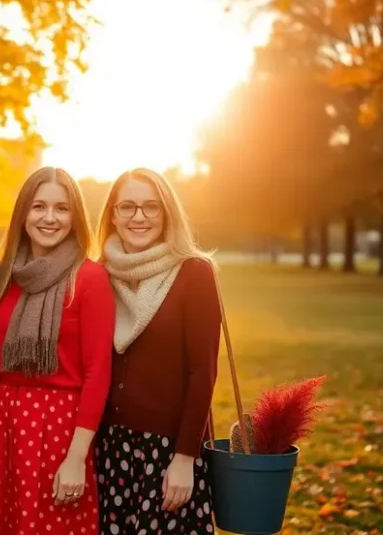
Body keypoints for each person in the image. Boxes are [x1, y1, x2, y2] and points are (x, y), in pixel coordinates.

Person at [0, 166, 115, 535]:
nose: (50, 218)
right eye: (39, 206)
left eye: (62, 208)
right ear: (23, 212)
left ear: (75, 217)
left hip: (61, 426)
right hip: (5, 421)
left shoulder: (89, 278)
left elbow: (98, 373)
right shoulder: (5, 275)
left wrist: (76, 457)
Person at [93, 168, 221, 535]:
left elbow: (203, 374)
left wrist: (185, 459)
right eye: (128, 207)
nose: (139, 217)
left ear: (166, 213)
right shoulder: (100, 274)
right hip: (111, 449)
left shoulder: (194, 272)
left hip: (168, 451)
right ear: (113, 215)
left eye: (151, 207)